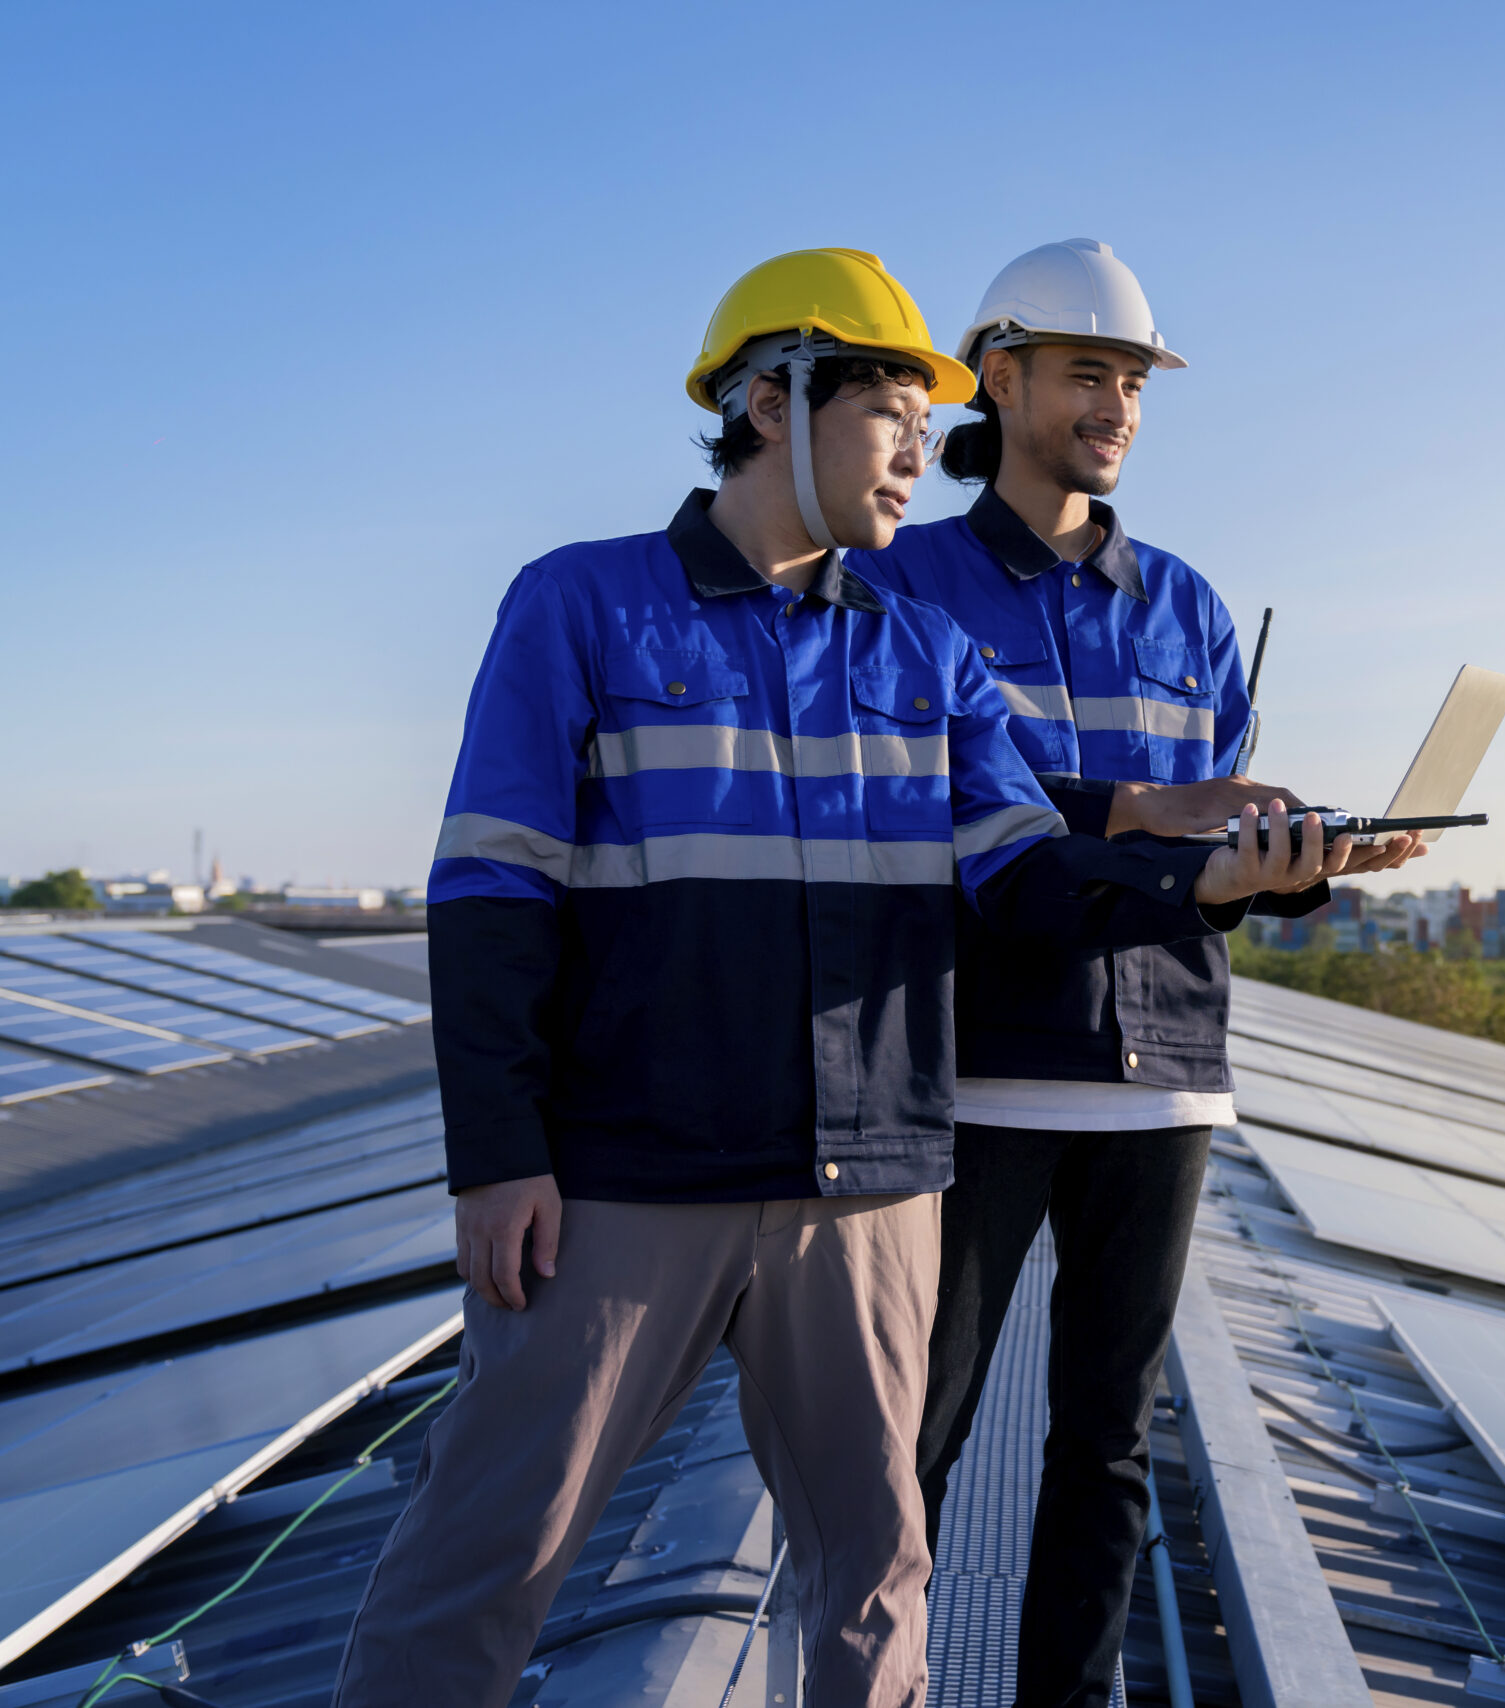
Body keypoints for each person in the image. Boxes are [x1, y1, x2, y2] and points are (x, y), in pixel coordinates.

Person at [335, 248, 1353, 1708]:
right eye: (891, 413)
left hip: (869, 1189)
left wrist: (1213, 877)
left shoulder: (924, 648)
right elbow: (493, 892)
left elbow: (1020, 875)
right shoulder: (582, 607)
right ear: (770, 400)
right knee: (486, 1555)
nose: (918, 458)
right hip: (631, 1179)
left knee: (878, 1580)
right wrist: (498, 1154)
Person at [853, 238, 1424, 1707]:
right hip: (975, 1074)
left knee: (1109, 1447)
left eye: (1135, 380)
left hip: (1163, 1084)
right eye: (1091, 373)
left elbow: (1209, 866)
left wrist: (1299, 868)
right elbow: (924, 810)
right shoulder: (903, 584)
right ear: (1004, 376)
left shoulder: (1190, 608)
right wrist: (1145, 815)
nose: (1120, 402)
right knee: (919, 1438)